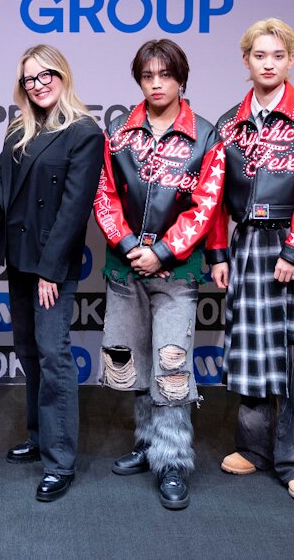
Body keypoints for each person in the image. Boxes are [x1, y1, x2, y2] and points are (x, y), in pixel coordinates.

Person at [185, 19, 294, 502]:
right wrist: (217, 251)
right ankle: (253, 447)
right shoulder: (228, 125)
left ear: (291, 60)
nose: (269, 64)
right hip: (249, 241)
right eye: (260, 55)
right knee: (252, 345)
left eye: (278, 55)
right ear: (246, 61)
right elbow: (212, 196)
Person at [91, 39, 217, 510]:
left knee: (171, 364)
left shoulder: (206, 136)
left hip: (177, 272)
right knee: (134, 359)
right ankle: (148, 446)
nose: (157, 84)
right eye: (148, 76)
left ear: (181, 79)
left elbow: (205, 207)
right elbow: (104, 196)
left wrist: (161, 251)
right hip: (125, 268)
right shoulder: (118, 132)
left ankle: (174, 462)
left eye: (166, 75)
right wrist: (129, 246)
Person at [0, 44, 104, 502]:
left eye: (45, 75)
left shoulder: (84, 132)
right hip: (18, 254)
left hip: (50, 263)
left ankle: (60, 461)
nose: (38, 85)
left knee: (54, 355)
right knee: (29, 352)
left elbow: (74, 210)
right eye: (29, 79)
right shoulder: (20, 126)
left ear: (63, 74)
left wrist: (51, 272)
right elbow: (0, 175)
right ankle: (38, 436)